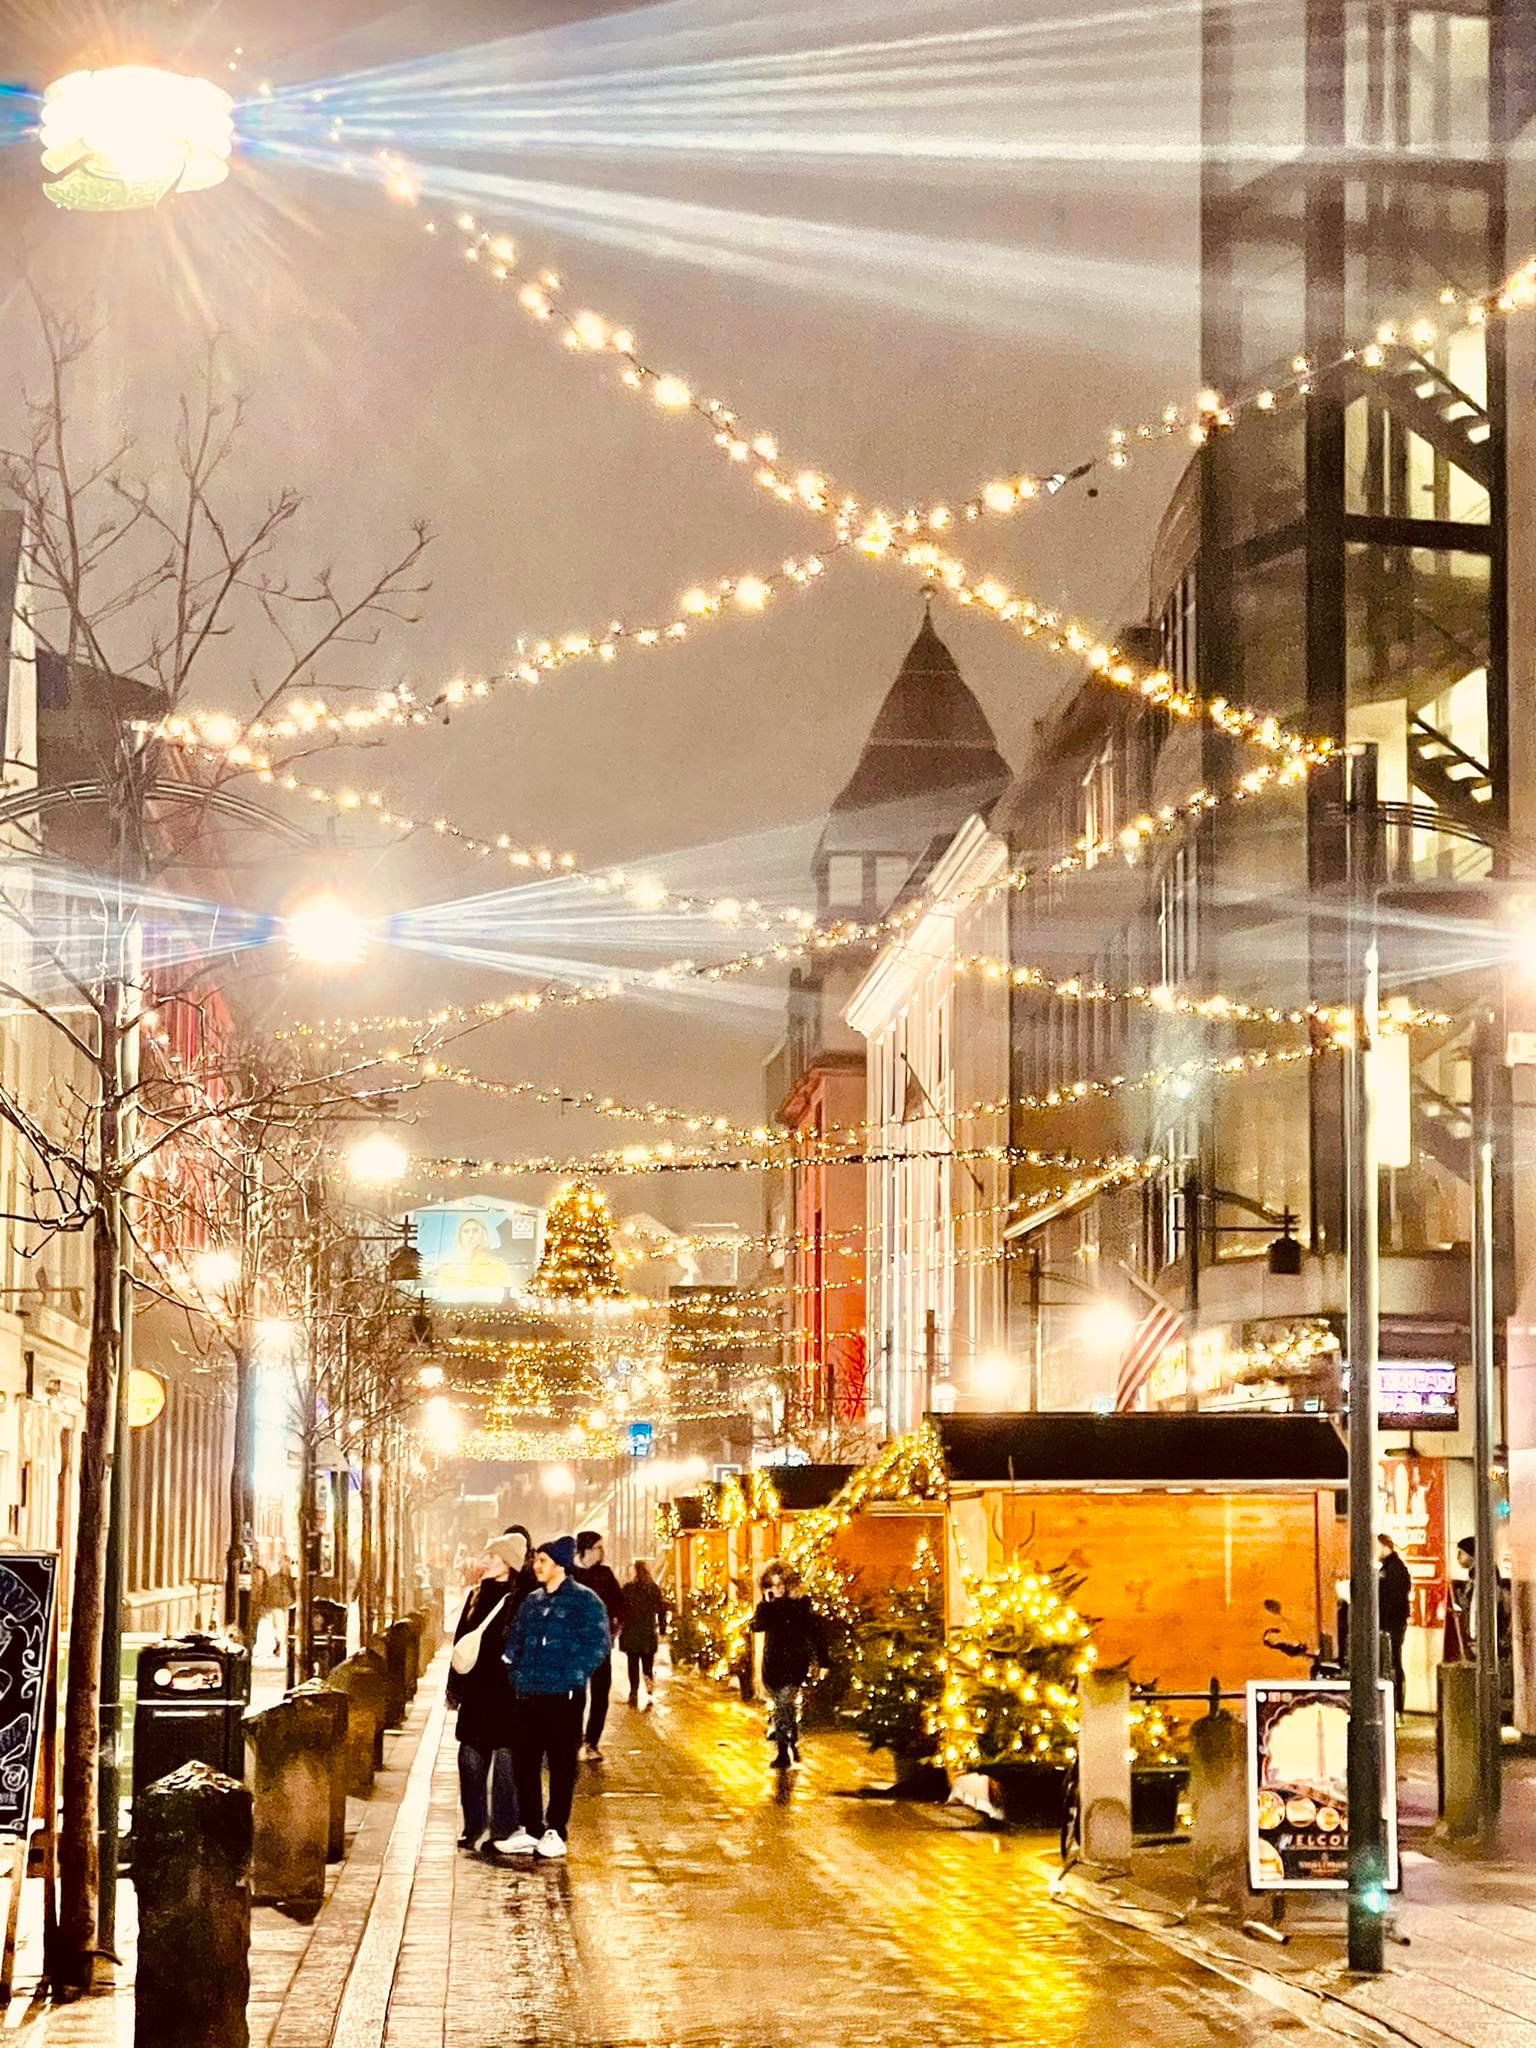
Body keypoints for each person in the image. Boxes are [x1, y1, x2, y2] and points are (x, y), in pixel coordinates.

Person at [497, 1536, 611, 1860]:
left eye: (542, 1561)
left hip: (564, 1695)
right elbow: (515, 1636)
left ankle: (555, 1830)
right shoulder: (532, 1601)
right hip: (528, 1693)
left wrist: (575, 1672)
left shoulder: (584, 1601)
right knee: (525, 1762)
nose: (536, 1566)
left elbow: (598, 1644)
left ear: (559, 1564)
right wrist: (513, 1665)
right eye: (536, 1561)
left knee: (561, 1763)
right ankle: (531, 1827)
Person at [447, 1533, 529, 1850]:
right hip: (477, 1692)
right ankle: (473, 1825)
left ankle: (504, 1828)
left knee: (507, 1763)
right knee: (469, 1759)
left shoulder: (521, 1599)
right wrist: (455, 1687)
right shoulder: (475, 1596)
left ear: (509, 1563)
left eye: (493, 1557)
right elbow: (460, 1642)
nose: (486, 1561)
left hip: (509, 1693)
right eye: (487, 1555)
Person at [751, 1562, 828, 1772]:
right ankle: (792, 1740)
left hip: (794, 1664)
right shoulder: (769, 1607)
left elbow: (815, 1633)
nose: (777, 1589)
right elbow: (756, 1626)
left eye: (779, 1585)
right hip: (773, 1665)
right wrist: (766, 1604)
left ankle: (783, 1752)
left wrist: (823, 1660)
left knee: (783, 1705)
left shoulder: (801, 1607)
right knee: (783, 1706)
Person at [573, 1530, 624, 1759]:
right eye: (598, 1548)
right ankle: (572, 1740)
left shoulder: (605, 1574)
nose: (601, 1552)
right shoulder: (569, 1574)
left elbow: (619, 1604)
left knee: (601, 1694)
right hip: (573, 1646)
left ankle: (592, 1742)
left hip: (600, 1644)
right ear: (586, 1548)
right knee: (576, 1695)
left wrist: (614, 1628)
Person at [619, 1559, 669, 1708]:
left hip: (632, 1631)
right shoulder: (653, 1589)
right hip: (647, 1631)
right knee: (647, 1664)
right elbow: (661, 1609)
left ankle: (633, 1691)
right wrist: (662, 1628)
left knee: (632, 1664)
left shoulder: (628, 1589)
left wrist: (619, 1625)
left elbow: (621, 1609)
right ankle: (649, 1688)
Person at [1377, 1532, 1412, 1715]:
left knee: (1392, 1663)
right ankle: (1395, 1706)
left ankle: (1396, 1706)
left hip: (1392, 1624)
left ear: (1386, 1547)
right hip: (1392, 1623)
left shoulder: (1394, 1569)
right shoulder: (1389, 1567)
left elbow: (1393, 1599)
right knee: (1392, 1663)